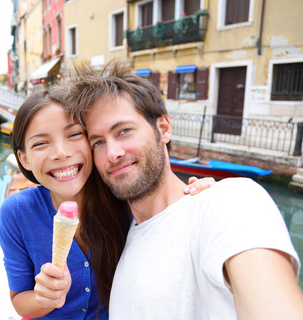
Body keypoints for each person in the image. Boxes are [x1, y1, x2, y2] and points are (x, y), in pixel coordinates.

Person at [66, 61, 303, 319]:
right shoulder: (121, 238)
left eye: (124, 131)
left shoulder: (230, 202)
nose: (112, 154)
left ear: (163, 128)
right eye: (98, 142)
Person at [0, 88, 215, 319]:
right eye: (41, 143)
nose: (61, 153)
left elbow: (166, 205)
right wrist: (44, 298)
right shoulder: (17, 213)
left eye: (74, 135)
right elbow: (19, 300)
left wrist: (199, 193)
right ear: (23, 159)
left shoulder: (125, 197)